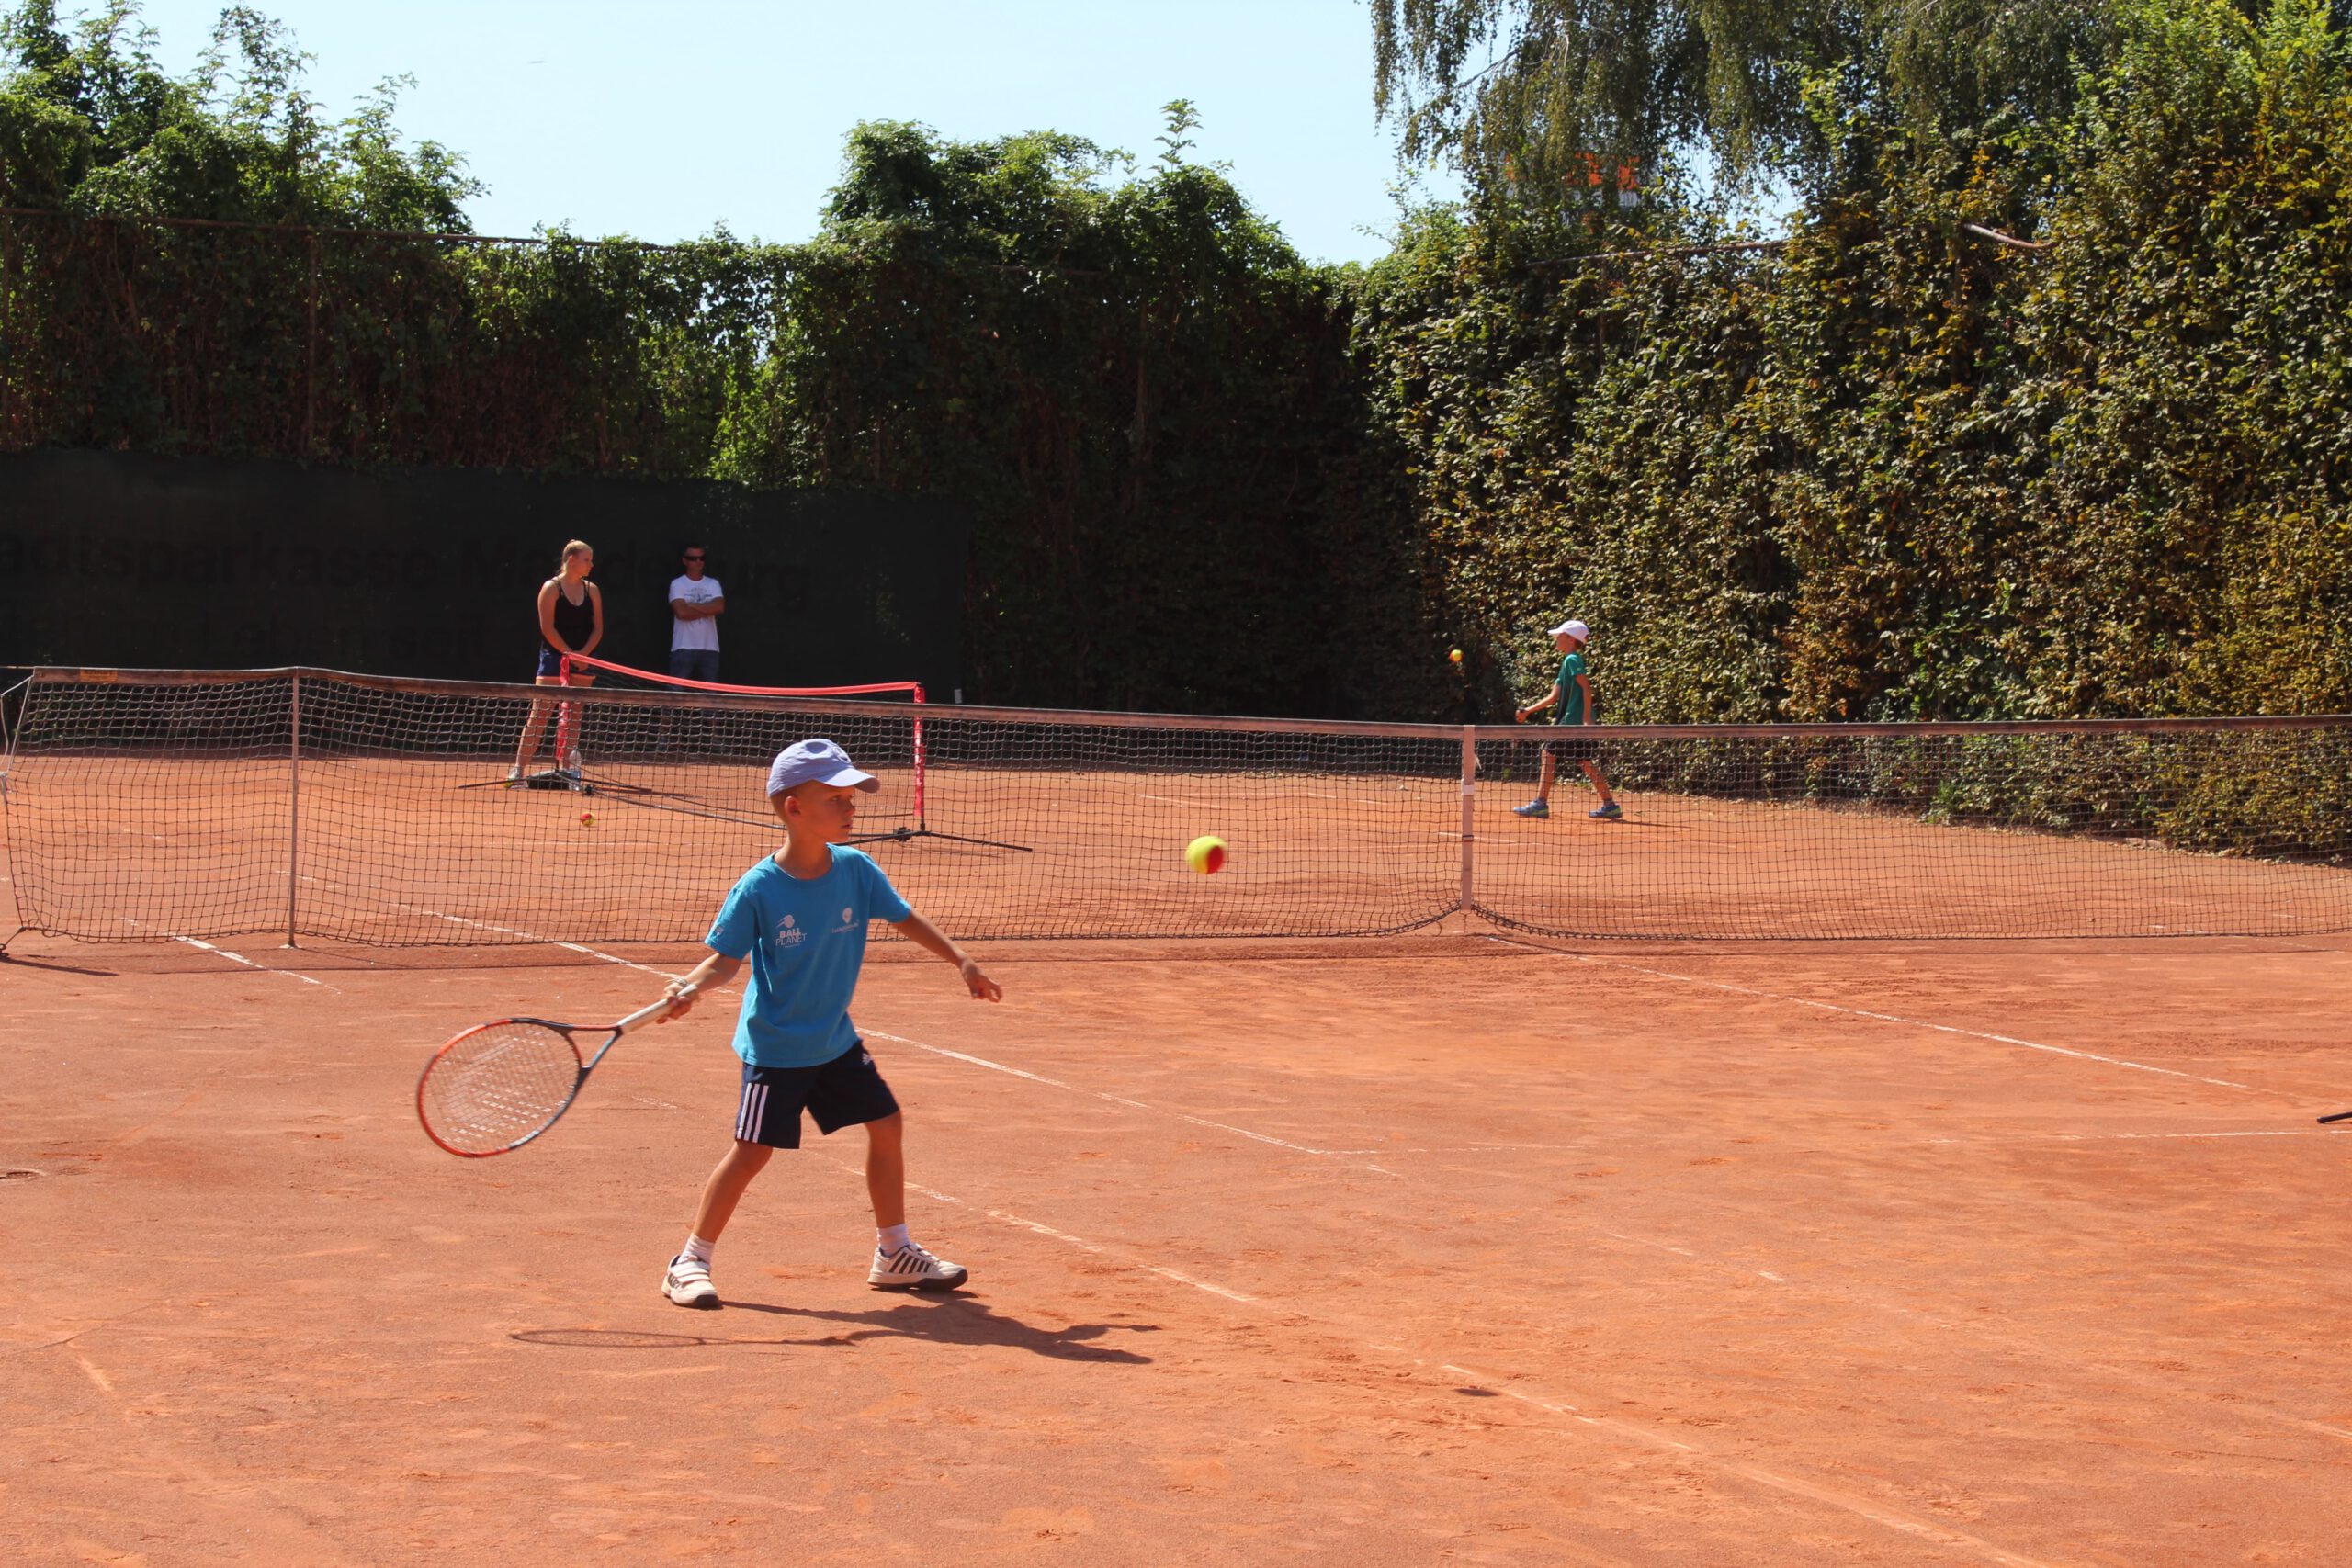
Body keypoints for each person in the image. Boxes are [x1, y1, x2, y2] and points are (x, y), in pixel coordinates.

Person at [652, 738, 1002, 1309]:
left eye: (852, 797)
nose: (851, 808)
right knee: (751, 1151)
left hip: (833, 1039)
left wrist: (961, 961)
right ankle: (689, 1260)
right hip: (777, 1047)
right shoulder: (759, 887)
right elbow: (724, 959)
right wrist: (691, 985)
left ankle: (894, 1251)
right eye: (837, 798)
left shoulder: (856, 869)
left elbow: (903, 917)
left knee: (886, 1125)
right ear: (795, 808)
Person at [512, 540, 604, 782]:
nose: (591, 564)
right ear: (571, 560)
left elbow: (598, 629)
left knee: (574, 715)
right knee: (540, 713)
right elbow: (547, 628)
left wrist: (582, 655)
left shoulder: (592, 590)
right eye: (587, 559)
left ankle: (569, 771)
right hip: (554, 657)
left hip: (583, 658)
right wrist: (567, 654)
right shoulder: (551, 588)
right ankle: (518, 770)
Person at [1513, 618, 1622, 820]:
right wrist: (1528, 710)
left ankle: (1540, 804)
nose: (1556, 639)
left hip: (1572, 722)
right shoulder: (1568, 662)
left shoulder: (1571, 660)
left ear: (1570, 639)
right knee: (1584, 761)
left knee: (1548, 753)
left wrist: (1587, 718)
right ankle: (1610, 805)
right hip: (1574, 721)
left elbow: (1586, 687)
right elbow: (1554, 697)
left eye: (1560, 636)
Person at [667, 546, 725, 683]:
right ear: (684, 561)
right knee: (675, 693)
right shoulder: (677, 583)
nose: (698, 562)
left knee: (711, 695)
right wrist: (708, 608)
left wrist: (691, 605)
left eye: (701, 558)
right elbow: (681, 613)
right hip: (683, 646)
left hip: (709, 647)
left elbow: (719, 607)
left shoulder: (713, 583)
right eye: (693, 559)